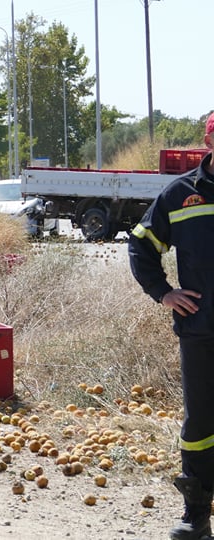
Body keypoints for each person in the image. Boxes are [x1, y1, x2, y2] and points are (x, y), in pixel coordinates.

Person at [129, 111, 214, 540]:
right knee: (200, 426)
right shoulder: (180, 195)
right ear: (209, 141)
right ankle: (196, 513)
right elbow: (141, 244)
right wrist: (163, 292)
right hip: (201, 331)